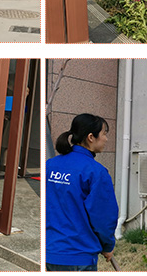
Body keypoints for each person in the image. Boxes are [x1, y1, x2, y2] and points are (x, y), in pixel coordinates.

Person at [46, 114, 118, 271]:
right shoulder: (96, 172)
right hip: (79, 256)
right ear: (91, 137)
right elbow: (104, 217)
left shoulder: (50, 166)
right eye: (104, 134)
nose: (106, 139)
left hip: (50, 253)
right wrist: (108, 245)